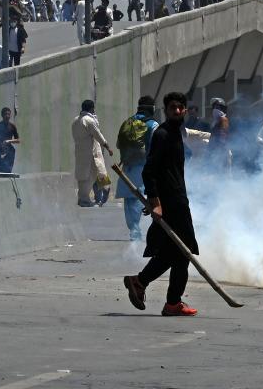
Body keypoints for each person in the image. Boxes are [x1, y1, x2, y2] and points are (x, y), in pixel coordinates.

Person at [122, 92, 199, 317]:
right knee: (184, 253)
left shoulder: (176, 134)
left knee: (172, 253)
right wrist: (156, 203)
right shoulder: (163, 134)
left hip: (177, 200)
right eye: (172, 107)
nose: (177, 111)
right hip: (172, 205)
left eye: (180, 107)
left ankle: (141, 283)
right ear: (166, 110)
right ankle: (171, 301)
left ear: (185, 110)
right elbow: (149, 171)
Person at [116, 96, 159, 240]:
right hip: (143, 167)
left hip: (127, 166)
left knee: (130, 199)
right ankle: (139, 231)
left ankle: (134, 228)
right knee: (142, 198)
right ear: (151, 108)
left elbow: (118, 144)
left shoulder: (127, 122)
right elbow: (156, 147)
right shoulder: (153, 124)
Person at [72, 99, 114, 207]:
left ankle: (87, 198)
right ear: (92, 109)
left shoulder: (76, 120)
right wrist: (108, 147)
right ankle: (103, 190)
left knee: (84, 176)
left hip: (80, 153)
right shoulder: (89, 121)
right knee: (95, 173)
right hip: (92, 153)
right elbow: (98, 135)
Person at [208, 97, 231, 168]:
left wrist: (219, 150)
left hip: (221, 150)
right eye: (214, 106)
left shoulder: (223, 119)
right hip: (215, 150)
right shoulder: (215, 122)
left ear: (222, 108)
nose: (215, 108)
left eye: (217, 106)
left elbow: (223, 134)